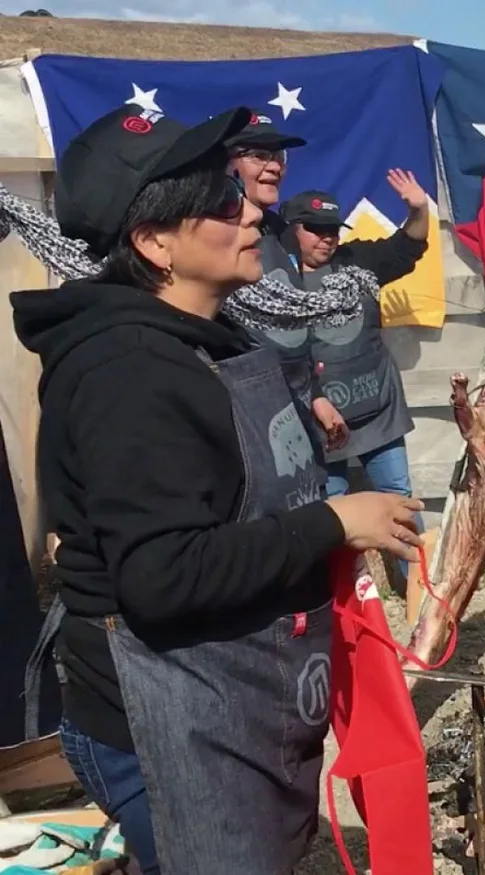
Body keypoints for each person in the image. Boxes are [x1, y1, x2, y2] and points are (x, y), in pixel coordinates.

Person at [11, 104, 423, 873]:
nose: (249, 210)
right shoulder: (126, 370)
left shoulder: (220, 340)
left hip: (238, 696)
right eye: (220, 201)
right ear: (154, 242)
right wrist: (333, 521)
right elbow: (163, 575)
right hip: (165, 720)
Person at [279, 174, 431, 572]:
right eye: (316, 230)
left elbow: (408, 247)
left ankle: (420, 588)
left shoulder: (357, 261)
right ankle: (348, 599)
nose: (327, 238)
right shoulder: (275, 282)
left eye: (332, 230)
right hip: (319, 418)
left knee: (399, 495)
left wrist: (418, 209)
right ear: (292, 229)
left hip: (377, 405)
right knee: (334, 510)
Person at [228, 114, 349, 450]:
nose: (274, 167)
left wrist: (317, 396)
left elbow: (293, 327)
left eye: (278, 156)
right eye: (258, 155)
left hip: (294, 408)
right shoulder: (209, 235)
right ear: (227, 166)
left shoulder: (281, 232)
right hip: (242, 416)